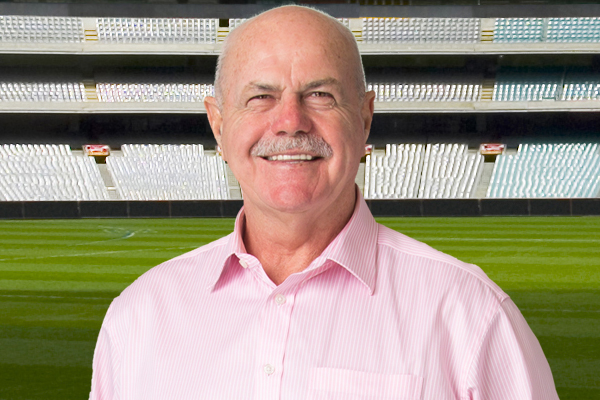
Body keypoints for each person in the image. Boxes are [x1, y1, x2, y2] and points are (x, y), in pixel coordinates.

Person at [90, 6, 559, 400]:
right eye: (260, 97)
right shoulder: (138, 318)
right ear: (218, 123)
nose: (290, 121)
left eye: (320, 95)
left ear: (365, 117)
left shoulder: (471, 315)